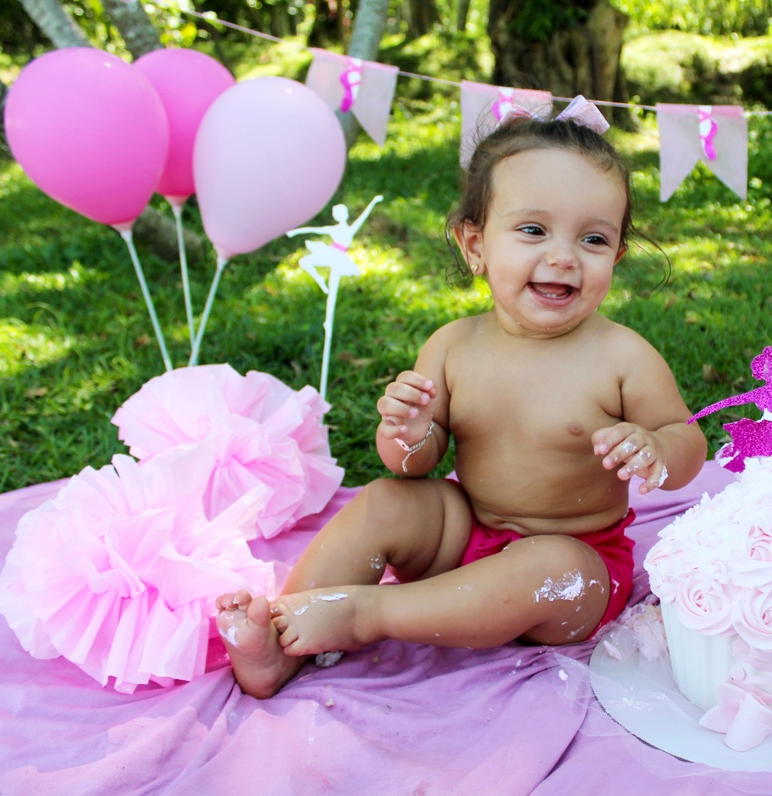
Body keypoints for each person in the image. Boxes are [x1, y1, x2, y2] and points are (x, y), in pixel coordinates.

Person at [215, 104, 709, 699]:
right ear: (475, 245)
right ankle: (277, 640)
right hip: (469, 532)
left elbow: (686, 440)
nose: (563, 256)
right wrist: (407, 433)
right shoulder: (453, 346)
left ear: (616, 259)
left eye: (594, 239)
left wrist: (656, 448)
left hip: (575, 568)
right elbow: (414, 465)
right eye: (533, 230)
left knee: (551, 567)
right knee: (389, 500)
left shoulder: (622, 356)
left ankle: (366, 613)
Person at [687, 322, 772, 472]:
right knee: (763, 465)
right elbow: (729, 402)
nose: (766, 371)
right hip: (765, 433)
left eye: (767, 367)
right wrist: (699, 414)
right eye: (763, 369)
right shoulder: (761, 392)